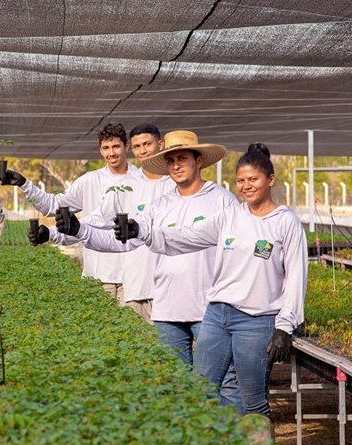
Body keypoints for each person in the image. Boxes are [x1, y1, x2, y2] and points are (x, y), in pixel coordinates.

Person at [82, 143, 306, 427]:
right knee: (200, 391)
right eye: (241, 180)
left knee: (253, 401)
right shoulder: (230, 215)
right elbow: (184, 237)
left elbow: (296, 277)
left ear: (270, 180)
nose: (246, 186)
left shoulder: (285, 222)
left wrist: (285, 326)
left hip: (256, 319)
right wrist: (143, 231)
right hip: (216, 314)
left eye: (253, 179)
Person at [55, 130, 243, 410]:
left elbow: (235, 254)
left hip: (209, 309)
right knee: (175, 387)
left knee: (212, 387)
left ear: (199, 161)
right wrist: (81, 230)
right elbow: (123, 241)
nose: (176, 165)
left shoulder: (222, 201)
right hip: (166, 310)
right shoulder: (161, 204)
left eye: (183, 158)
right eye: (171, 160)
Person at [31, 123, 173, 323]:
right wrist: (52, 233)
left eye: (147, 144)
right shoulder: (123, 188)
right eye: (106, 148)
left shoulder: (177, 186)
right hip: (129, 282)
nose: (112, 153)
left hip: (166, 284)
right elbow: (93, 221)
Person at [0, 122, 137, 300]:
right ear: (100, 150)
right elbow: (53, 206)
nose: (111, 153)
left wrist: (53, 234)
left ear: (126, 147)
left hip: (133, 276)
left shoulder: (140, 181)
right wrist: (24, 184)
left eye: (116, 146)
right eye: (106, 148)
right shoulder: (89, 181)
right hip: (98, 275)